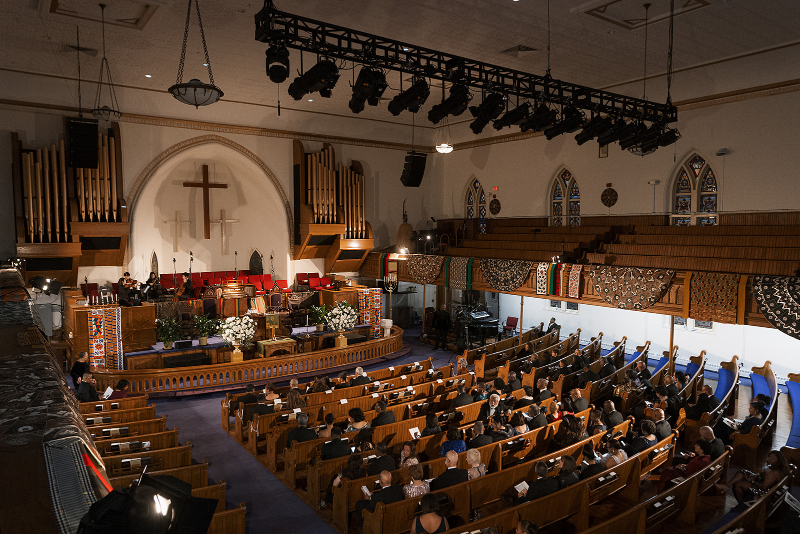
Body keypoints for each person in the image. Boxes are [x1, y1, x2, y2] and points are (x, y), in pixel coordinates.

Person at [717, 450, 790, 503]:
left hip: (764, 493)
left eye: (774, 458)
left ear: (779, 460)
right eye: (770, 457)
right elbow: (763, 475)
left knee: (738, 485)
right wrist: (755, 476)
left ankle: (741, 505)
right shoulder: (776, 467)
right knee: (742, 472)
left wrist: (752, 481)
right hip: (762, 483)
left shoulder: (773, 473)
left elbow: (763, 487)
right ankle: (727, 485)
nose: (770, 459)